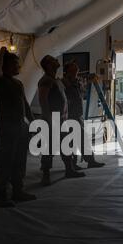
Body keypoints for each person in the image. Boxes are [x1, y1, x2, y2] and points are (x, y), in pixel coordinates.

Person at [0, 47, 36, 207]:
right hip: (6, 127)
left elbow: (25, 104)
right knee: (5, 161)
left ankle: (18, 190)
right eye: (15, 64)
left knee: (19, 160)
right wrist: (2, 52)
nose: (18, 67)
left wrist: (33, 122)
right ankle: (2, 195)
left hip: (20, 126)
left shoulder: (18, 83)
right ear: (6, 66)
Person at [38, 55, 85, 186]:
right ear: (48, 65)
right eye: (53, 60)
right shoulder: (46, 80)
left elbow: (70, 85)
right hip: (52, 119)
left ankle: (69, 169)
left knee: (66, 145)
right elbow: (43, 100)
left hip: (62, 119)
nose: (57, 61)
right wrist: (48, 119)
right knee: (49, 148)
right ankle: (45, 175)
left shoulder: (55, 80)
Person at [62, 61, 105, 169]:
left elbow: (84, 82)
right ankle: (82, 162)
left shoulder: (77, 80)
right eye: (73, 67)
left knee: (78, 139)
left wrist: (90, 77)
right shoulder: (64, 82)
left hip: (77, 114)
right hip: (70, 115)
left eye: (76, 68)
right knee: (76, 140)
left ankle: (76, 163)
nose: (77, 68)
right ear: (68, 71)